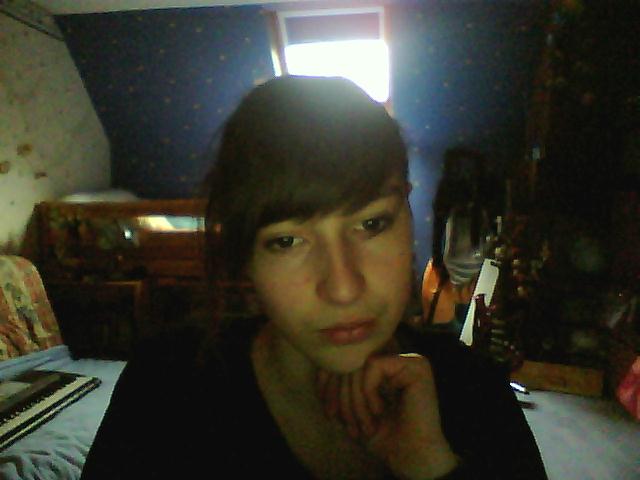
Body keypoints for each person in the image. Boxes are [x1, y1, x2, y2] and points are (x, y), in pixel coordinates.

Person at [80, 76, 547, 479]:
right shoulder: (166, 389)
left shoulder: (478, 393)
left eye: (372, 223)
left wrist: (432, 467)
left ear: (407, 211)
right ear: (245, 254)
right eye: (286, 241)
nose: (343, 289)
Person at [421, 148, 502, 336]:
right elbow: (439, 228)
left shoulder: (479, 194)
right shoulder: (454, 194)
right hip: (460, 266)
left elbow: (439, 230)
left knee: (471, 319)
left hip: (470, 265)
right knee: (464, 322)